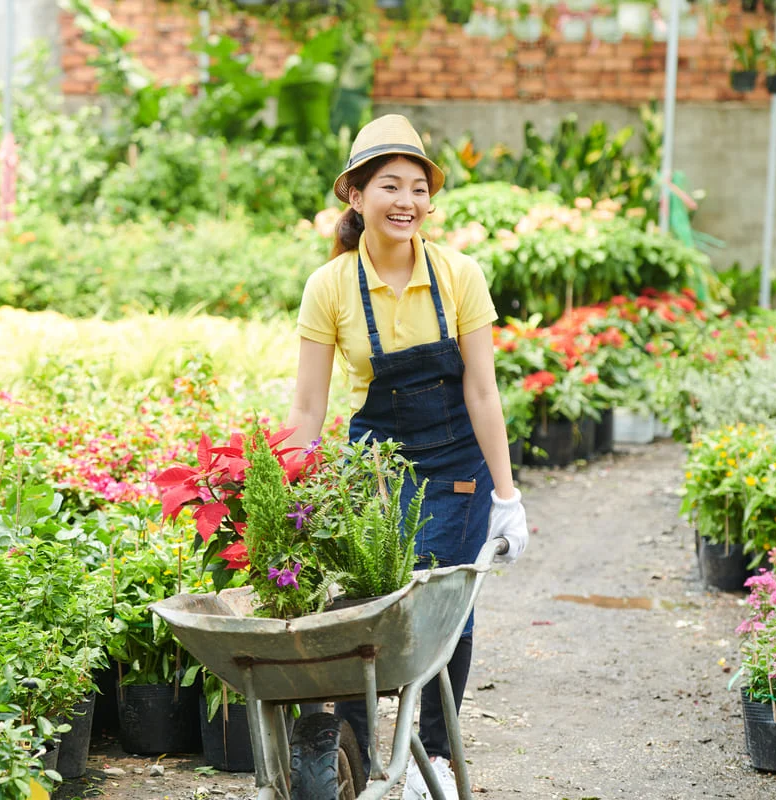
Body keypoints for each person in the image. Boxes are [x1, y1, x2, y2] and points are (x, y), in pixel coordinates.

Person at [284, 114, 530, 800]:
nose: (406, 201)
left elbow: (483, 392)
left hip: (456, 467)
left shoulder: (457, 276)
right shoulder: (330, 287)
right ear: (355, 198)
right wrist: (279, 492)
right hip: (377, 471)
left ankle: (438, 756)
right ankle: (358, 751)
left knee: (444, 608)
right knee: (367, 606)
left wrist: (505, 497)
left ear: (429, 200)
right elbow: (308, 412)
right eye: (389, 185)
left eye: (417, 187)